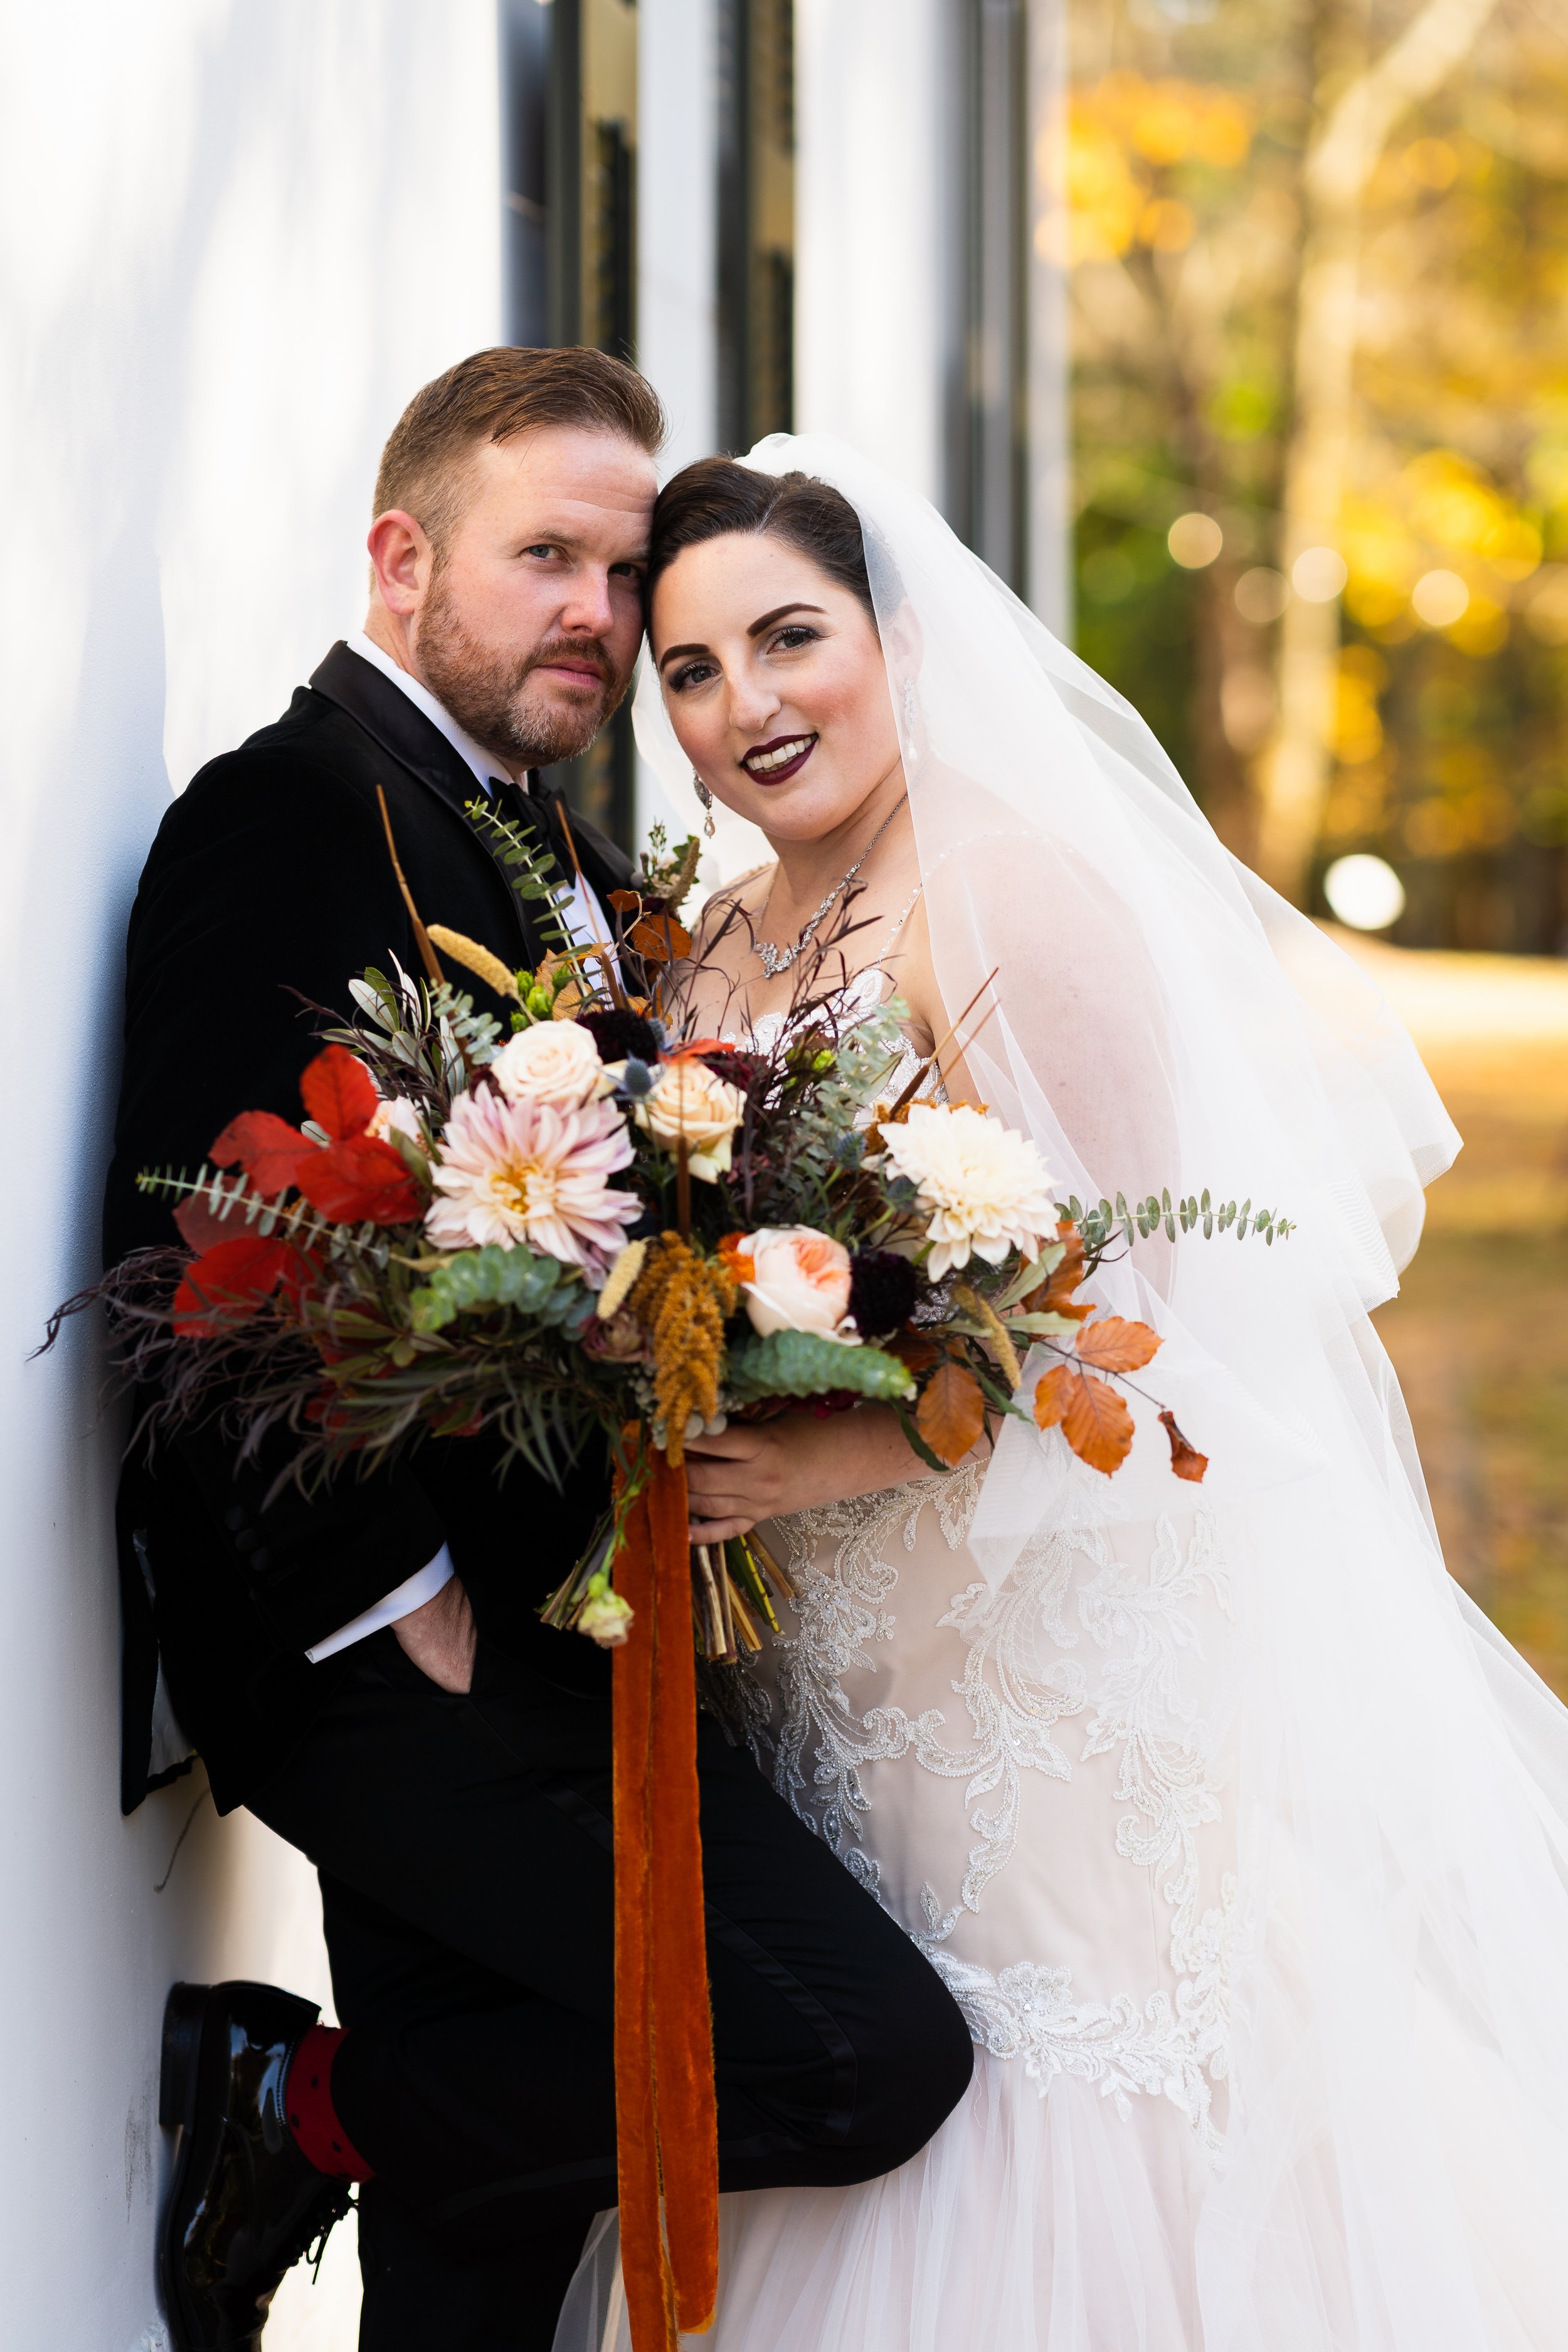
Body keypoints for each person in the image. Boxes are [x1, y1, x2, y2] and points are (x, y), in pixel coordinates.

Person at [556, 437, 1568, 2351]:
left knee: (1065, 2102)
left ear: (901, 638)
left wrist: (828, 1453)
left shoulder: (1015, 900)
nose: (745, 705)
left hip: (1033, 1693)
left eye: (789, 638)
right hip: (822, 1689)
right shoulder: (713, 945)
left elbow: (1140, 1327)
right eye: (689, 671)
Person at [105, 353, 973, 2352]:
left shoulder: (545, 851)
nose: (594, 610)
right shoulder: (294, 809)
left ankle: (336, 2126)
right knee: (856, 2056)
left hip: (555, 1613)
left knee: (484, 2275)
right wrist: (382, 1592)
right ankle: (305, 2109)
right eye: (544, 558)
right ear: (405, 557)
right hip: (385, 1645)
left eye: (619, 570)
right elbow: (206, 1242)